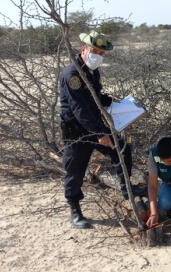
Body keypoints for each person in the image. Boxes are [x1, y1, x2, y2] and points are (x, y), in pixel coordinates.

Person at [59, 31, 137, 229]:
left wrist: (112, 101)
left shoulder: (92, 72)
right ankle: (75, 210)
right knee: (74, 170)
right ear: (82, 49)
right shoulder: (72, 75)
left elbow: (94, 96)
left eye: (102, 53)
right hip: (77, 132)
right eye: (94, 51)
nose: (98, 56)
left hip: (95, 125)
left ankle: (126, 189)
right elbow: (80, 109)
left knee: (122, 149)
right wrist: (101, 134)